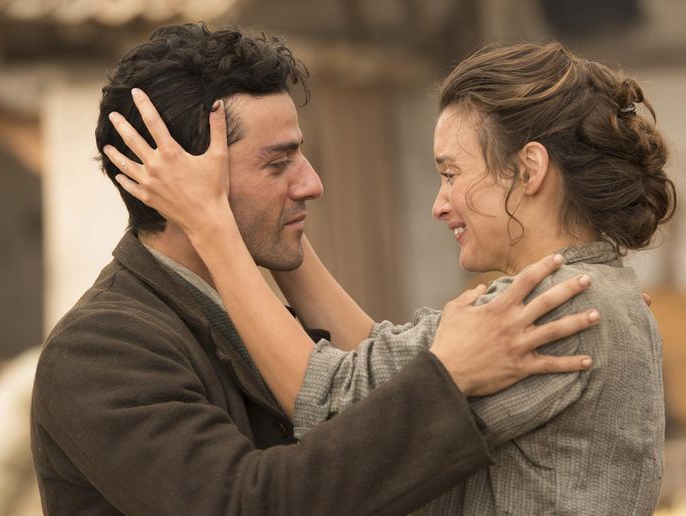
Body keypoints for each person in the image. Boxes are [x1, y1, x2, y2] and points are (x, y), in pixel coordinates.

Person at [30, 24, 599, 516]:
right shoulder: (101, 350)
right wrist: (448, 379)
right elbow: (248, 505)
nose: (312, 184)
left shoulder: (251, 309)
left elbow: (358, 385)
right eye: (278, 163)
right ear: (188, 179)